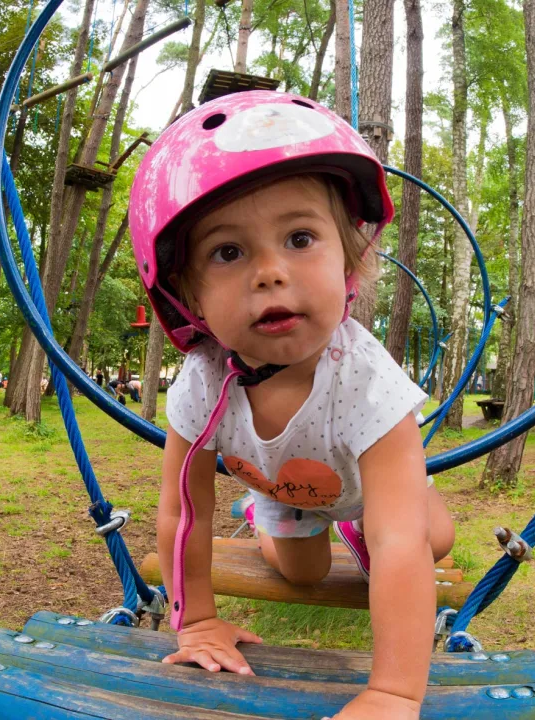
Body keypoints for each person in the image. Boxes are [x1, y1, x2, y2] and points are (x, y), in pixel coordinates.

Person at [132, 90, 454, 720]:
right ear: (188, 296)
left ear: (351, 259)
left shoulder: (367, 381)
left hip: (362, 488)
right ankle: (266, 515)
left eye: (300, 237)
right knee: (303, 574)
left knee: (427, 538)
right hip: (282, 489)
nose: (271, 272)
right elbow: (184, 511)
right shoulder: (201, 384)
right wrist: (196, 620)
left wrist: (392, 693)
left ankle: (399, 497)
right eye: (229, 252)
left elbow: (399, 544)